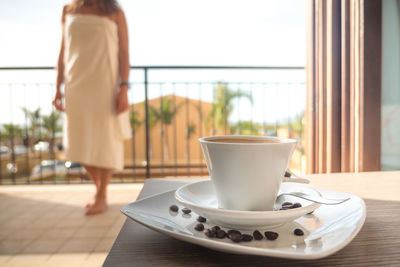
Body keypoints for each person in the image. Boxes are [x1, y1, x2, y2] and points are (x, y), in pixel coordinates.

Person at [53, 0, 131, 215]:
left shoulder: (114, 11)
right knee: (78, 139)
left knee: (105, 138)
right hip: (75, 84)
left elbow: (124, 51)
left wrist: (123, 87)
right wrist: (57, 87)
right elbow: (63, 50)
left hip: (105, 83)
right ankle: (99, 188)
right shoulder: (67, 10)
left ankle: (101, 194)